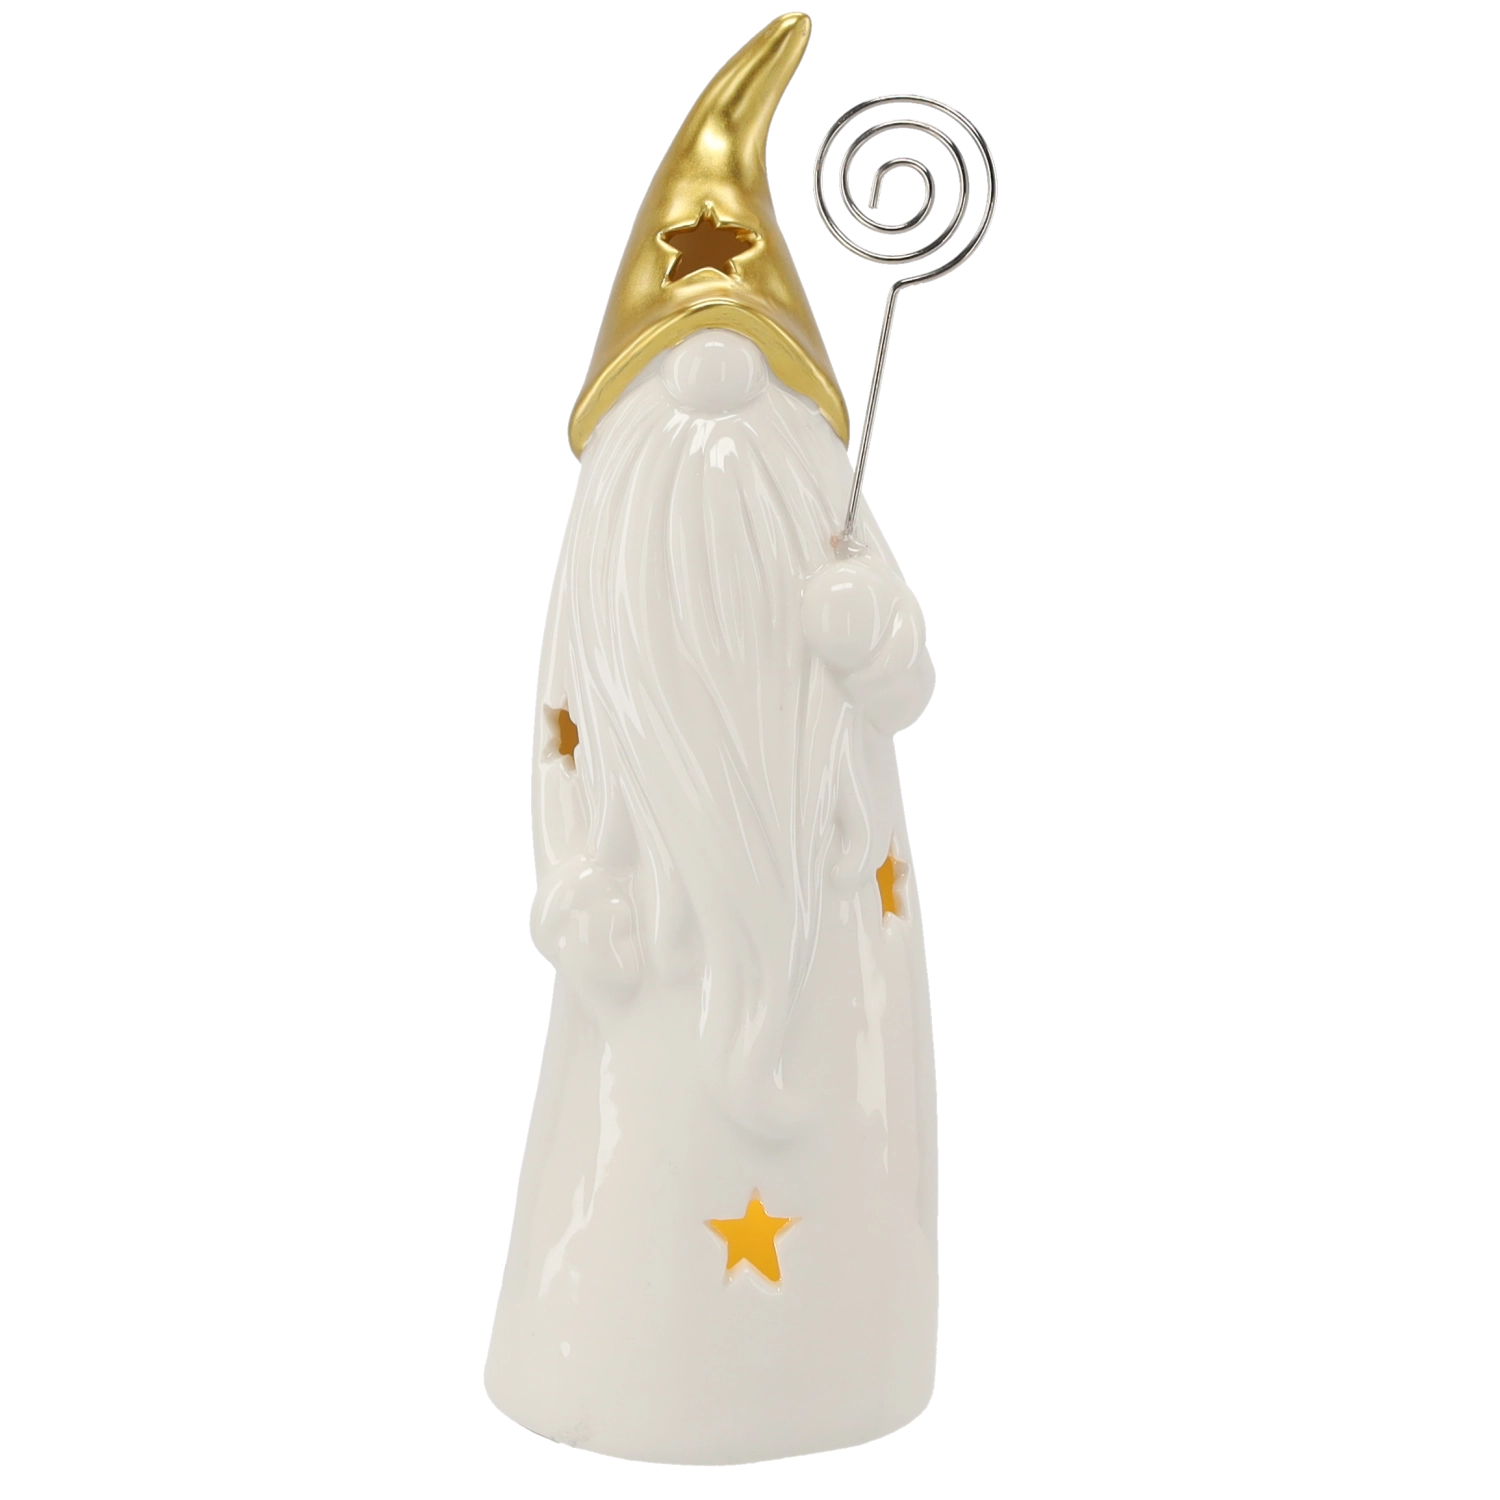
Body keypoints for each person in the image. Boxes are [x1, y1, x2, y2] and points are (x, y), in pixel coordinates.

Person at [487, 15, 938, 1464]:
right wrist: (571, 886)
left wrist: (872, 634)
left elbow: (907, 689)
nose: (713, 397)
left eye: (744, 364)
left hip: (828, 926)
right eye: (684, 367)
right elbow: (558, 752)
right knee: (634, 1153)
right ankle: (614, 1355)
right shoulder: (598, 610)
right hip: (650, 953)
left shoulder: (837, 555)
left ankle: (839, 1359)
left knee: (840, 1149)